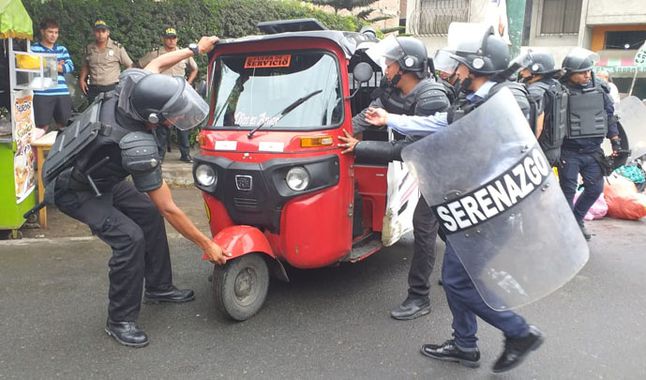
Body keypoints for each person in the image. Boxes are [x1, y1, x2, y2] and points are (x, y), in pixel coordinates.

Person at [363, 25, 544, 373]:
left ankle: (519, 332)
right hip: (471, 205)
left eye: (460, 68)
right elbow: (438, 125)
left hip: (490, 209)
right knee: (462, 278)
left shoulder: (504, 101)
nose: (454, 73)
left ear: (477, 67)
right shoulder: (475, 100)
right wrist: (391, 118)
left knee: (459, 281)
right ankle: (464, 344)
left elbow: (504, 156)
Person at [42, 35, 229, 348]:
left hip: (100, 177)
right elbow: (170, 207)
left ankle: (158, 287)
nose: (176, 119)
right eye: (171, 116)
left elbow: (156, 64)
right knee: (130, 238)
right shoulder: (137, 145)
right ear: (153, 117)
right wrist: (206, 244)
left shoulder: (131, 86)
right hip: (75, 189)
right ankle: (120, 321)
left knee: (147, 215)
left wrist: (196, 49)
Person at [339, 37, 451, 320]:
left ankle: (419, 297)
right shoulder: (394, 91)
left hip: (445, 172)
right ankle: (468, 270)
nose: (386, 70)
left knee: (424, 225)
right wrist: (340, 134)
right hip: (428, 168)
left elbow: (409, 149)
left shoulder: (432, 97)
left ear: (407, 67)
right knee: (446, 225)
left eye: (390, 65)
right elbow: (370, 114)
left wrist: (359, 147)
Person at [559, 48, 621, 240]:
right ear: (570, 73)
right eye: (582, 72)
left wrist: (615, 140)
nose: (587, 75)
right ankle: (565, 231)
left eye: (589, 71)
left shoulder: (600, 89)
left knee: (595, 189)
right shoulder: (558, 91)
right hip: (569, 152)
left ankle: (577, 220)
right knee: (567, 193)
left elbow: (609, 117)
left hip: (593, 151)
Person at [138, 27, 198, 163]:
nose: (171, 40)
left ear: (177, 39)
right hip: (162, 94)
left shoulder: (184, 53)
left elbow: (194, 69)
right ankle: (159, 156)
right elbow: (140, 66)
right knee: (161, 125)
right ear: (164, 39)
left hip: (180, 93)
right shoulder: (156, 54)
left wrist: (188, 83)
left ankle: (185, 154)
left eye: (174, 38)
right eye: (168, 38)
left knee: (182, 124)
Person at [518, 50, 567, 166]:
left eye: (525, 68)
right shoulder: (555, 85)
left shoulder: (536, 91)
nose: (522, 72)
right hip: (554, 148)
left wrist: (526, 151)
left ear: (536, 70)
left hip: (540, 151)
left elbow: (537, 127)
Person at [30, 18, 74, 131]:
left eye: (56, 32)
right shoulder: (33, 49)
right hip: (42, 93)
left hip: (62, 92)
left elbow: (69, 67)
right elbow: (32, 69)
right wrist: (57, 65)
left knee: (65, 126)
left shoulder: (62, 49)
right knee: (41, 127)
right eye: (50, 32)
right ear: (42, 31)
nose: (53, 35)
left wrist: (45, 63)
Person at [79, 20, 133, 103]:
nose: (100, 34)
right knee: (93, 114)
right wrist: (82, 79)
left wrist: (124, 82)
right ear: (94, 33)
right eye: (98, 31)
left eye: (103, 31)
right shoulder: (89, 48)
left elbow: (130, 65)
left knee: (109, 113)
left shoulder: (117, 48)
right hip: (94, 88)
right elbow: (86, 65)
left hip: (111, 88)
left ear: (108, 33)